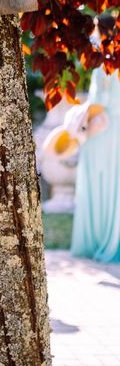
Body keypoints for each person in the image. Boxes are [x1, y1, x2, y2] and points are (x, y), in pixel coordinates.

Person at [71, 66, 120, 262]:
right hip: (114, 130)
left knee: (101, 181)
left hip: (103, 131)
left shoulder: (103, 68)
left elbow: (101, 100)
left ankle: (101, 238)